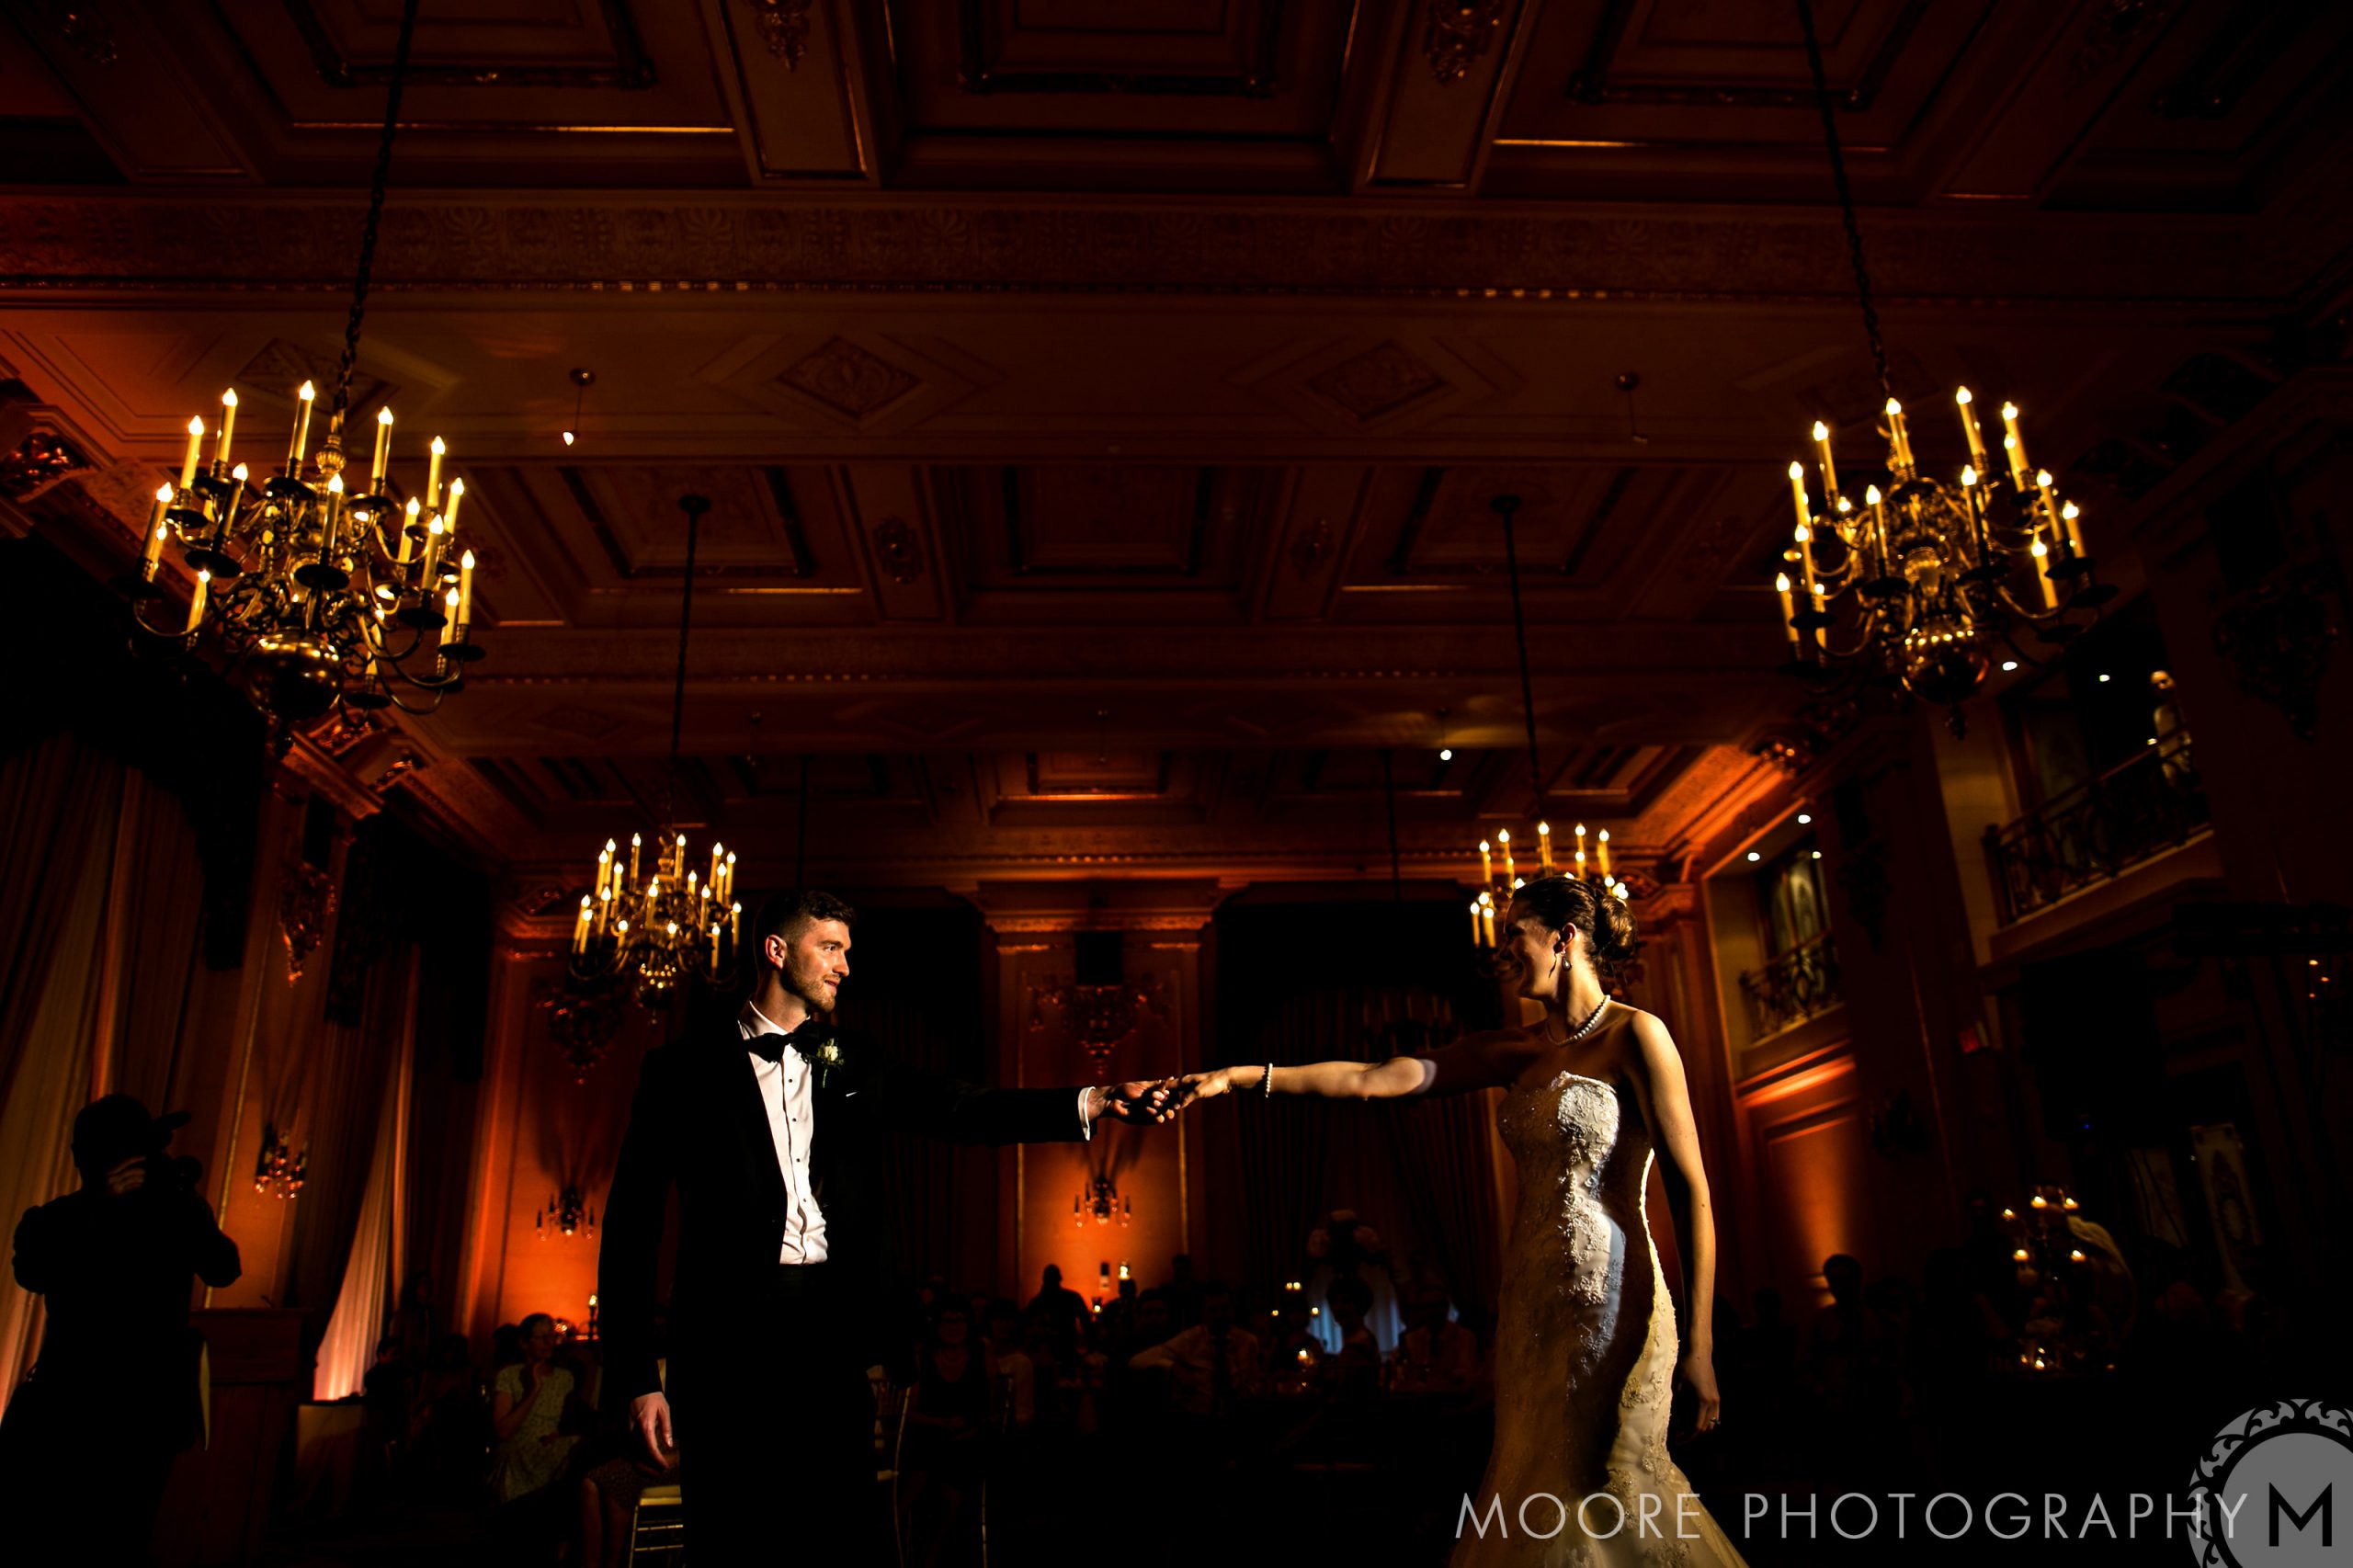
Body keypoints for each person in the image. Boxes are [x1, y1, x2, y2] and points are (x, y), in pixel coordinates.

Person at [1163, 875, 1749, 1565]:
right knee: (1536, 1480)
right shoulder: (1510, 1051)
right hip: (1531, 1305)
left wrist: (1701, 1345)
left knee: (1607, 1482)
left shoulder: (1638, 1035)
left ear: (1563, 940)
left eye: (1516, 935)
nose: (1504, 951)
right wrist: (1240, 1077)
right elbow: (1371, 1077)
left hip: (1615, 1299)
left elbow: (1692, 1194)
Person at [597, 887, 1169, 1558]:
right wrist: (636, 1375)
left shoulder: (847, 1062)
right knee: (732, 1535)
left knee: (842, 1535)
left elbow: (959, 1109)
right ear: (777, 951)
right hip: (727, 1340)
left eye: (848, 951)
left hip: (831, 1334)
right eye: (830, 948)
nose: (844, 966)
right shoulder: (682, 1071)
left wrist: (1092, 1100)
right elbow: (631, 1227)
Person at [1, 1095, 241, 1567]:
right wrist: (101, 1208)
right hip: (74, 1408)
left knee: (117, 1539)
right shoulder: (60, 1218)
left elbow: (223, 1268)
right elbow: (33, 1270)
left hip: (136, 1414)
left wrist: (183, 1199)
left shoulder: (170, 1211)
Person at [489, 1312, 580, 1504]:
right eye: (542, 1338)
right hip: (519, 1449)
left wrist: (559, 1434)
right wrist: (534, 1389)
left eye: (552, 1337)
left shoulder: (565, 1378)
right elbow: (503, 1431)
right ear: (524, 1343)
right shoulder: (509, 1375)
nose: (549, 1343)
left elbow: (571, 1421)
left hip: (552, 1448)